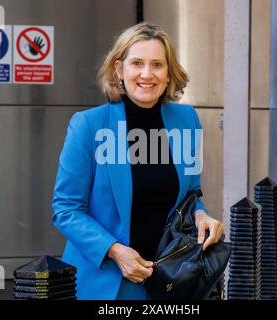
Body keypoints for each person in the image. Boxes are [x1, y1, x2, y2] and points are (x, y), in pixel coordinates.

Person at [52, 22, 224, 300]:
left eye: (157, 64)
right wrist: (116, 251)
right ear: (119, 70)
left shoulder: (187, 120)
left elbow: (192, 194)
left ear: (169, 74)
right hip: (107, 283)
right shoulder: (88, 125)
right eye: (137, 63)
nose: (147, 74)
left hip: (169, 282)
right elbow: (66, 209)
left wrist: (202, 215)